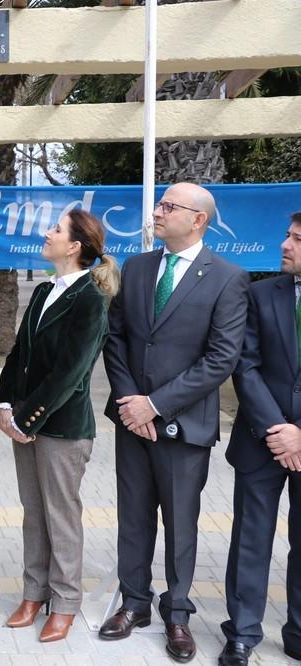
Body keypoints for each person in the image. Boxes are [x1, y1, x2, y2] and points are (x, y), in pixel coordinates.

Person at [100, 182, 249, 662]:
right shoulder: (139, 267)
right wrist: (129, 402)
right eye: (159, 204)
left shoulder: (227, 278)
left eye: (168, 206)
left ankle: (178, 614)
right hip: (131, 421)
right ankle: (134, 603)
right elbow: (116, 338)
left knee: (180, 524)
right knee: (133, 518)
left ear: (198, 219)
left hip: (184, 426)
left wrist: (156, 405)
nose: (157, 212)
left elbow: (221, 358)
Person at [0, 209, 119, 642]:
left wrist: (27, 419)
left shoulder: (90, 297)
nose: (46, 233)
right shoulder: (46, 288)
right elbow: (17, 355)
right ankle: (34, 592)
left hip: (63, 428)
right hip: (27, 422)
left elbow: (70, 372)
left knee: (60, 516)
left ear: (75, 246)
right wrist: (4, 405)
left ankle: (65, 602)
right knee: (34, 512)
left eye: (56, 229)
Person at [219, 212, 301, 666]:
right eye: (287, 235)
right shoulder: (259, 294)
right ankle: (243, 632)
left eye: (296, 239)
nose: (285, 245)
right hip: (260, 440)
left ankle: (298, 632)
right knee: (251, 538)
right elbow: (244, 366)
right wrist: (280, 431)